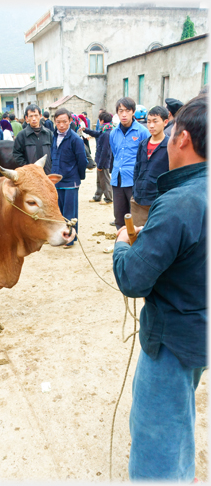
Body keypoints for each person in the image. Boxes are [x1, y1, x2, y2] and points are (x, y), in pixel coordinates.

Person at [112, 94, 207, 482]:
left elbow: (133, 278)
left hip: (171, 339)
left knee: (157, 438)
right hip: (199, 332)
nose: (165, 137)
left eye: (169, 129)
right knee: (180, 415)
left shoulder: (180, 202)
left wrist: (122, 244)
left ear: (182, 138)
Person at [109, 97, 150, 229]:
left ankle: (135, 246)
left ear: (133, 112)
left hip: (134, 180)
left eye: (127, 111)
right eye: (121, 111)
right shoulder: (113, 133)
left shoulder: (142, 132)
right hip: (118, 180)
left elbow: (146, 157)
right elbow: (115, 153)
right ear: (117, 113)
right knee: (119, 217)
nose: (124, 114)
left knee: (136, 216)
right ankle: (122, 245)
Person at [50, 107, 88, 248]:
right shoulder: (54, 136)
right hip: (57, 181)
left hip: (71, 181)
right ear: (55, 121)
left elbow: (82, 160)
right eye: (58, 122)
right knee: (59, 212)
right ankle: (61, 237)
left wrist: (78, 177)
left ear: (70, 121)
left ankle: (70, 239)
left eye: (64, 122)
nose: (61, 125)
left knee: (69, 212)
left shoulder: (75, 139)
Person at [131, 105, 169, 226]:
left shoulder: (170, 146)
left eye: (155, 121)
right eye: (149, 121)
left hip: (159, 202)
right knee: (136, 236)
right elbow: (137, 169)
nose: (151, 125)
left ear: (165, 122)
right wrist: (135, 189)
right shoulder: (143, 144)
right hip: (139, 199)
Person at [81, 111, 114, 204]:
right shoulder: (105, 131)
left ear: (102, 121)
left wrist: (100, 165)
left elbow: (105, 151)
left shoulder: (107, 133)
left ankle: (108, 198)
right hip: (101, 161)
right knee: (100, 180)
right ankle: (97, 196)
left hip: (103, 162)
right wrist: (85, 129)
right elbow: (96, 133)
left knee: (105, 180)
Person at [13, 104, 53, 175]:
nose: (34, 118)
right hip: (30, 176)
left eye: (36, 115)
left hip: (47, 174)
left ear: (40, 116)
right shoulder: (21, 135)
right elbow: (17, 155)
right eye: (31, 116)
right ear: (26, 118)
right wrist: (28, 169)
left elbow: (54, 153)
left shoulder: (48, 134)